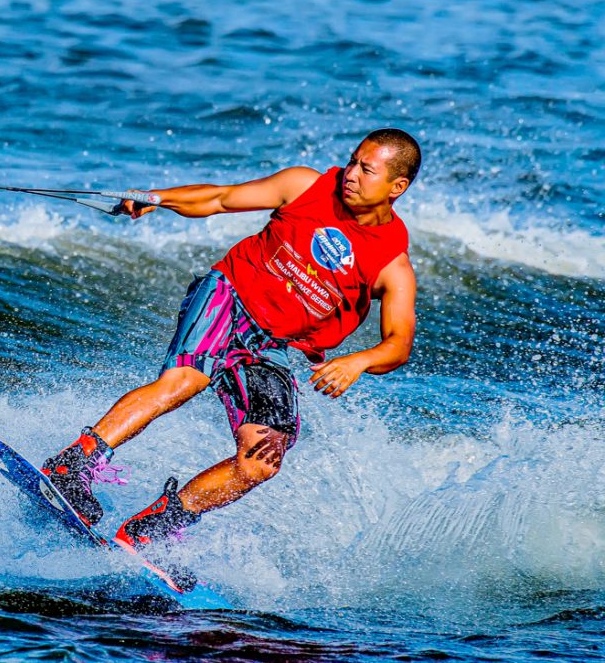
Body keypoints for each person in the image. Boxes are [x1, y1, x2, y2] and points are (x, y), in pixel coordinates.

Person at [42, 128, 420, 560]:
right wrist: (157, 198)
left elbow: (398, 344)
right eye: (352, 161)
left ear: (396, 187)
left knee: (262, 459)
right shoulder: (306, 185)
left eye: (366, 170)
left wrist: (359, 362)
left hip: (272, 346)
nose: (350, 173)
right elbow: (221, 198)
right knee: (185, 381)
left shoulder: (392, 265)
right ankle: (73, 464)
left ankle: (156, 526)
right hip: (229, 295)